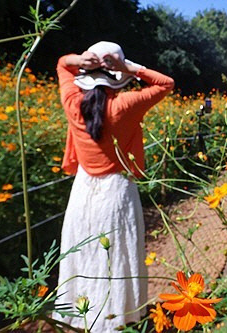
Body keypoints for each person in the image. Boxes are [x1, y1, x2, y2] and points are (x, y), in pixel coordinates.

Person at [52, 41, 174, 331]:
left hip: (82, 190)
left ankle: (80, 317)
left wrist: (81, 58)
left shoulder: (72, 102)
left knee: (82, 253)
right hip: (116, 192)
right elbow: (166, 83)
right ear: (118, 78)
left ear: (85, 75)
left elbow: (61, 64)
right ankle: (116, 320)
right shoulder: (125, 105)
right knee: (116, 256)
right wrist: (128, 67)